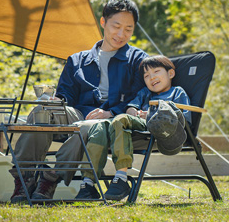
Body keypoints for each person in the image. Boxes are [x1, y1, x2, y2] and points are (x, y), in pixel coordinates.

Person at [10, 0, 148, 203]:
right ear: (103, 22)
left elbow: (140, 96)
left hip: (113, 120)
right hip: (80, 113)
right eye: (116, 26)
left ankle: (50, 178)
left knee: (85, 128)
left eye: (128, 29)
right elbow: (66, 96)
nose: (121, 34)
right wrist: (56, 100)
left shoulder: (138, 59)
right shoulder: (77, 60)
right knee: (42, 111)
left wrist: (111, 112)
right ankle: (24, 177)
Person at [74, 55, 191, 201]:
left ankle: (121, 178)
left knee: (121, 119)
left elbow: (183, 118)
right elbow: (130, 107)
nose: (152, 77)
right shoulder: (144, 92)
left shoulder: (177, 92)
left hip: (159, 129)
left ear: (171, 73)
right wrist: (133, 111)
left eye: (156, 72)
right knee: (100, 127)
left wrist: (152, 115)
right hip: (136, 127)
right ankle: (88, 183)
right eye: (146, 76)